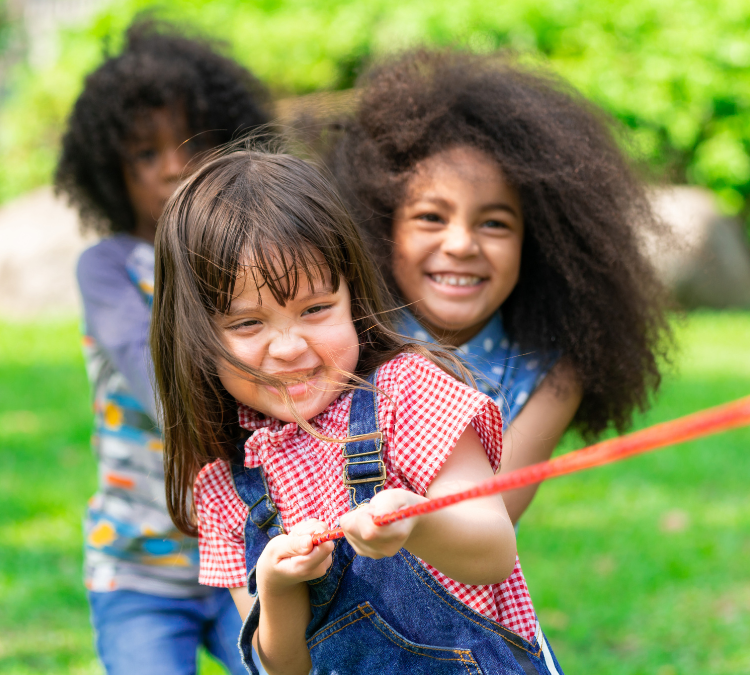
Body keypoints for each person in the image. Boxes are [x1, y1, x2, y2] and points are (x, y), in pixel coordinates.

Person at [149, 150, 563, 675]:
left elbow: (494, 549)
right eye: (248, 324)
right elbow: (285, 668)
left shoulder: (406, 393)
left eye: (315, 309)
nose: (288, 347)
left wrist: (417, 524)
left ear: (352, 297)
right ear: (196, 339)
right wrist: (276, 587)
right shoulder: (224, 485)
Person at [328, 49, 671, 522]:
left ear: (541, 245)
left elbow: (491, 521)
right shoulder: (348, 332)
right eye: (431, 217)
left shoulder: (552, 374)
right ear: (381, 226)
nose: (462, 244)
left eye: (494, 224)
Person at [54, 18, 269, 675]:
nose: (174, 165)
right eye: (146, 154)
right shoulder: (110, 267)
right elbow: (157, 383)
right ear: (110, 173)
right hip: (141, 563)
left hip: (258, 550)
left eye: (191, 143)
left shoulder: (256, 260)